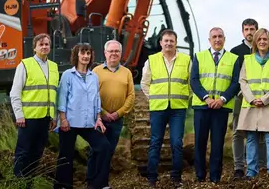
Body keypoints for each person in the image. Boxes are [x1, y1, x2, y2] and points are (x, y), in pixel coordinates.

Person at [54, 44, 111, 189]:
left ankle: (98, 184)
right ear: (76, 55)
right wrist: (63, 119)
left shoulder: (94, 77)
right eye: (83, 53)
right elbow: (62, 98)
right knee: (66, 154)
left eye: (88, 53)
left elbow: (96, 99)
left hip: (89, 122)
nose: (86, 56)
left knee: (104, 147)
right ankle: (63, 185)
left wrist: (98, 118)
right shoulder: (68, 75)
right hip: (70, 122)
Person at [141, 29, 191, 187]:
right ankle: (152, 178)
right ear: (161, 43)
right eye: (166, 41)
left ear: (176, 43)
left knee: (176, 142)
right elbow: (144, 83)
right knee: (155, 141)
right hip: (158, 108)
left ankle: (176, 177)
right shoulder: (151, 60)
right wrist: (152, 98)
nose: (169, 43)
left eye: (172, 41)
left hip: (178, 108)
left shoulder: (186, 60)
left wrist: (185, 97)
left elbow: (191, 83)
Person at [190, 27, 241, 183]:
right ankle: (200, 176)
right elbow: (194, 80)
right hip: (202, 107)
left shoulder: (233, 59)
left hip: (221, 108)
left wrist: (222, 99)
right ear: (209, 40)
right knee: (200, 143)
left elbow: (235, 83)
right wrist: (206, 98)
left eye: (220, 36)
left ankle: (215, 178)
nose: (217, 39)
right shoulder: (199, 56)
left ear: (224, 39)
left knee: (217, 144)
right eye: (214, 37)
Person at [236, 27, 269, 180]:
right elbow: (242, 81)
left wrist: (264, 99)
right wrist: (252, 99)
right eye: (260, 39)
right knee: (251, 139)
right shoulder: (247, 60)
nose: (262, 42)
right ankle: (251, 172)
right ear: (255, 42)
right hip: (250, 105)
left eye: (265, 39)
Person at [10, 33, 59, 181]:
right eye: (41, 44)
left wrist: (54, 116)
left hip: (45, 118)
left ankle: (29, 182)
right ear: (34, 48)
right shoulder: (25, 65)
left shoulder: (54, 67)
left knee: (37, 153)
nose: (44, 47)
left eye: (47, 44)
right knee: (23, 152)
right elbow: (15, 92)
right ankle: (18, 182)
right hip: (28, 118)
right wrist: (19, 115)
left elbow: (53, 94)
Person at [87, 40, 135, 181]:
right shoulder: (96, 71)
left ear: (121, 53)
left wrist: (118, 113)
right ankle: (91, 180)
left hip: (117, 120)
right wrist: (103, 113)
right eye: (111, 51)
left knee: (109, 151)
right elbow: (91, 95)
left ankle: (102, 181)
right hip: (98, 118)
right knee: (96, 150)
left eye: (117, 51)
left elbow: (131, 96)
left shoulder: (126, 72)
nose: (114, 54)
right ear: (105, 53)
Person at [229, 18, 266, 178]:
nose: (249, 32)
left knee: (262, 131)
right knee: (238, 132)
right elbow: (233, 77)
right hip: (241, 98)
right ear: (242, 31)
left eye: (252, 29)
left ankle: (262, 165)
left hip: (261, 98)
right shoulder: (235, 52)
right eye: (247, 29)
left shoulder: (264, 50)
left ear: (257, 30)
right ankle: (238, 167)